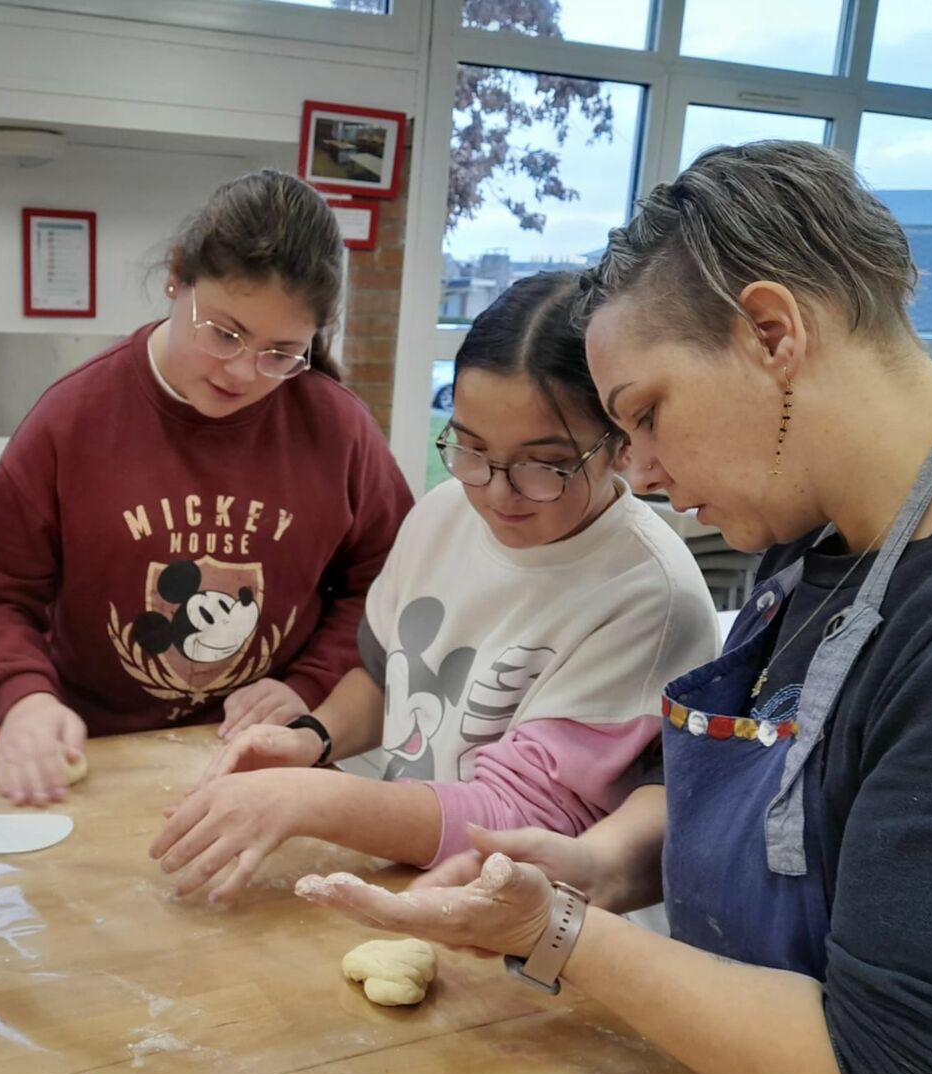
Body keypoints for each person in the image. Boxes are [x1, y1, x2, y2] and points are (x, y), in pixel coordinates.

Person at [298, 141, 932, 1074]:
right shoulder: (816, 538)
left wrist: (558, 933)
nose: (646, 476)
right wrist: (594, 866)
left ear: (770, 333)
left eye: (646, 413)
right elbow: (788, 808)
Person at [150, 272, 716, 902]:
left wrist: (313, 798)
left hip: (529, 919)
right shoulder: (445, 512)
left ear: (618, 444)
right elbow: (383, 674)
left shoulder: (648, 597)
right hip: (414, 874)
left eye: (545, 466)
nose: (497, 493)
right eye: (471, 450)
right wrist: (312, 739)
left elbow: (519, 816)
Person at [0, 170, 413, 806]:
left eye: (281, 353)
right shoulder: (73, 419)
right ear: (177, 276)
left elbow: (387, 585)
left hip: (265, 771)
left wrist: (308, 685)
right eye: (223, 333)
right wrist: (25, 699)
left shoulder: (337, 428)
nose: (244, 372)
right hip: (96, 764)